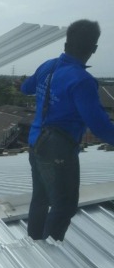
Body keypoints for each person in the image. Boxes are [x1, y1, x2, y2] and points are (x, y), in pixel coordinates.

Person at [20, 19, 114, 241]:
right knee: (64, 205)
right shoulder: (82, 81)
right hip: (58, 152)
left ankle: (35, 242)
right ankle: (50, 251)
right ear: (94, 49)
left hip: (36, 143)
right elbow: (99, 124)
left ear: (67, 42)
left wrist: (23, 83)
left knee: (41, 198)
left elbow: (26, 88)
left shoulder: (48, 66)